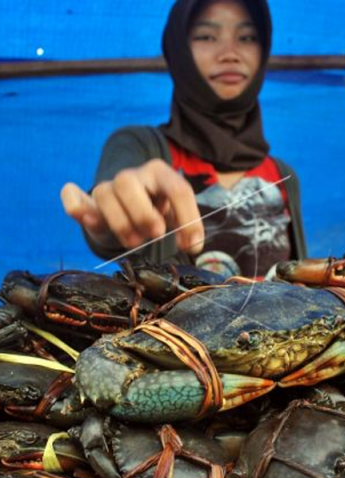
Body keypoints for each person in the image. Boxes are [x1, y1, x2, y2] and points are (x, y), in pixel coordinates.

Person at [61, 0, 306, 278]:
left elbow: (300, 282)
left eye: (247, 37)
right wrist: (110, 220)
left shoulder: (283, 175)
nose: (230, 53)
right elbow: (111, 205)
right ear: (178, 51)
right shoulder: (139, 146)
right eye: (206, 36)